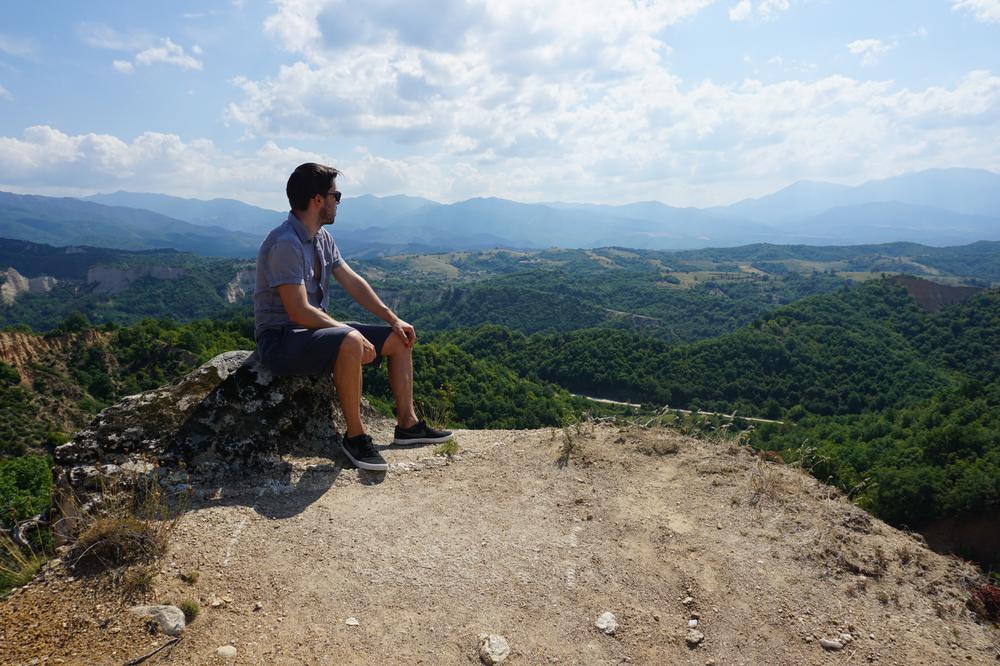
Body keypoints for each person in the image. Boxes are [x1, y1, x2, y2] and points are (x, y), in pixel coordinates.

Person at [253, 162, 451, 471]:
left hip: (312, 333)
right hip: (281, 340)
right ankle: (355, 437)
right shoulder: (285, 243)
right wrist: (352, 334)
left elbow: (353, 281)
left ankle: (408, 425)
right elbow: (298, 311)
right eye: (336, 195)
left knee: (399, 340)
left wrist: (392, 319)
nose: (338, 202)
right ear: (318, 199)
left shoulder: (321, 238)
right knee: (349, 340)